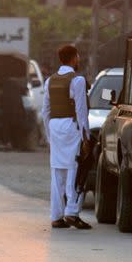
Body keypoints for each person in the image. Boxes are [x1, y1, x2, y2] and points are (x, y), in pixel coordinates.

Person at [42, 45, 92, 229]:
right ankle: (72, 212)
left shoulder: (50, 81)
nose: (79, 59)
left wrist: (48, 136)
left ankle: (56, 216)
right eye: (78, 56)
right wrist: (85, 137)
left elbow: (45, 111)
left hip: (54, 126)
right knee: (74, 168)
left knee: (57, 171)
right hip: (71, 126)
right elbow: (81, 110)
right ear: (73, 57)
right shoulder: (77, 80)